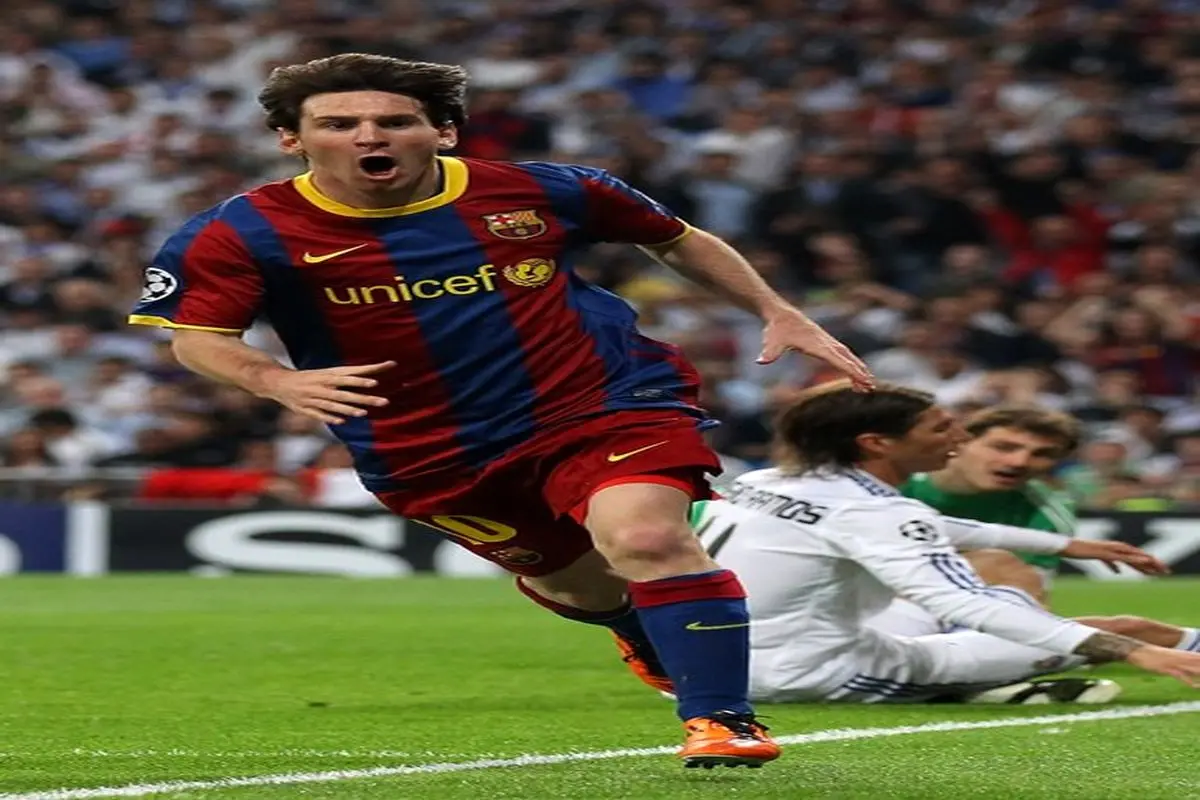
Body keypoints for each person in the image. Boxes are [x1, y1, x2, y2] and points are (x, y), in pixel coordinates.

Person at [127, 53, 874, 767]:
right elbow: (198, 338)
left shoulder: (542, 191)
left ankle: (722, 720)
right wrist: (274, 380)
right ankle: (630, 624)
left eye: (394, 121)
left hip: (598, 401)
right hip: (426, 448)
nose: (369, 137)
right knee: (582, 585)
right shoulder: (238, 232)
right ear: (292, 139)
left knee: (646, 537)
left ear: (443, 131)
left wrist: (776, 309)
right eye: (339, 124)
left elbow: (675, 240)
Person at [681, 381, 1200, 704]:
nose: (958, 437)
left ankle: (986, 679)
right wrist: (1133, 653)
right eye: (941, 428)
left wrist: (1068, 547)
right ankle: (979, 683)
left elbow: (927, 528)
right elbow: (964, 603)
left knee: (999, 593)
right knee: (1125, 629)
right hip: (809, 673)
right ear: (877, 444)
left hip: (708, 663)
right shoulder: (876, 510)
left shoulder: (770, 480)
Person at [900, 405, 1080, 601]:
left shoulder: (1047, 512)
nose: (1019, 462)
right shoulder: (891, 482)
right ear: (959, 442)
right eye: (1003, 447)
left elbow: (1025, 599)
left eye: (1043, 454)